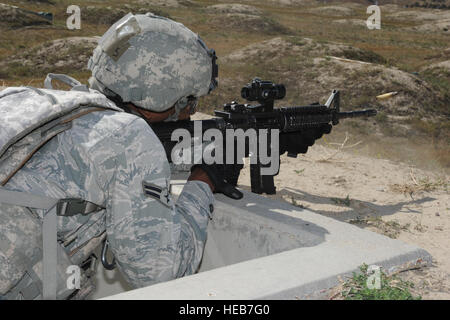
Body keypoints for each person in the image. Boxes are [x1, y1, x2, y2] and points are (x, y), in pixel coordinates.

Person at [0, 12, 240, 300]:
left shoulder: (22, 99)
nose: (189, 110)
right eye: (188, 99)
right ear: (164, 92)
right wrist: (204, 180)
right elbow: (163, 272)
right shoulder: (128, 136)